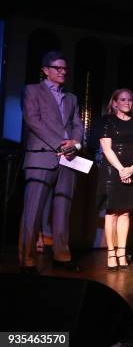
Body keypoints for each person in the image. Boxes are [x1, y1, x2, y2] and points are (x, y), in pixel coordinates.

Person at [19, 51, 84, 274]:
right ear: (46, 70)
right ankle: (27, 259)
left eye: (65, 68)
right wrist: (60, 143)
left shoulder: (72, 97)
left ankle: (61, 256)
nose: (63, 71)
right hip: (41, 156)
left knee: (62, 210)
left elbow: (77, 124)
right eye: (58, 68)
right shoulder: (32, 90)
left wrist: (75, 144)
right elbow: (33, 121)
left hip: (68, 159)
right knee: (33, 211)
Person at [97, 89, 133, 271]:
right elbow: (107, 149)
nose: (127, 102)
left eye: (130, 100)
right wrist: (121, 170)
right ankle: (111, 252)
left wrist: (132, 168)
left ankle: (122, 252)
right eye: (123, 99)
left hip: (132, 169)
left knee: (125, 212)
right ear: (115, 102)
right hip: (112, 170)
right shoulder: (107, 120)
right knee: (112, 212)